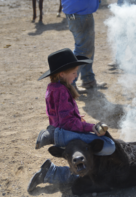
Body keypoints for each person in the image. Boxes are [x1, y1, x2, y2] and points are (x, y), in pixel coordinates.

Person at [27, 49, 115, 192]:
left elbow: (62, 117)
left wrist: (78, 120)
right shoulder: (61, 90)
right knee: (109, 145)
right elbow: (68, 123)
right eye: (74, 73)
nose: (76, 75)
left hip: (62, 130)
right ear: (62, 74)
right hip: (65, 132)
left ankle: (51, 172)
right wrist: (91, 127)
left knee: (93, 152)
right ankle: (52, 141)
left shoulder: (54, 87)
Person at [61, 0, 106, 94]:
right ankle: (70, 84)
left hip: (77, 12)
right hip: (81, 14)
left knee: (87, 48)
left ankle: (88, 79)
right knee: (83, 50)